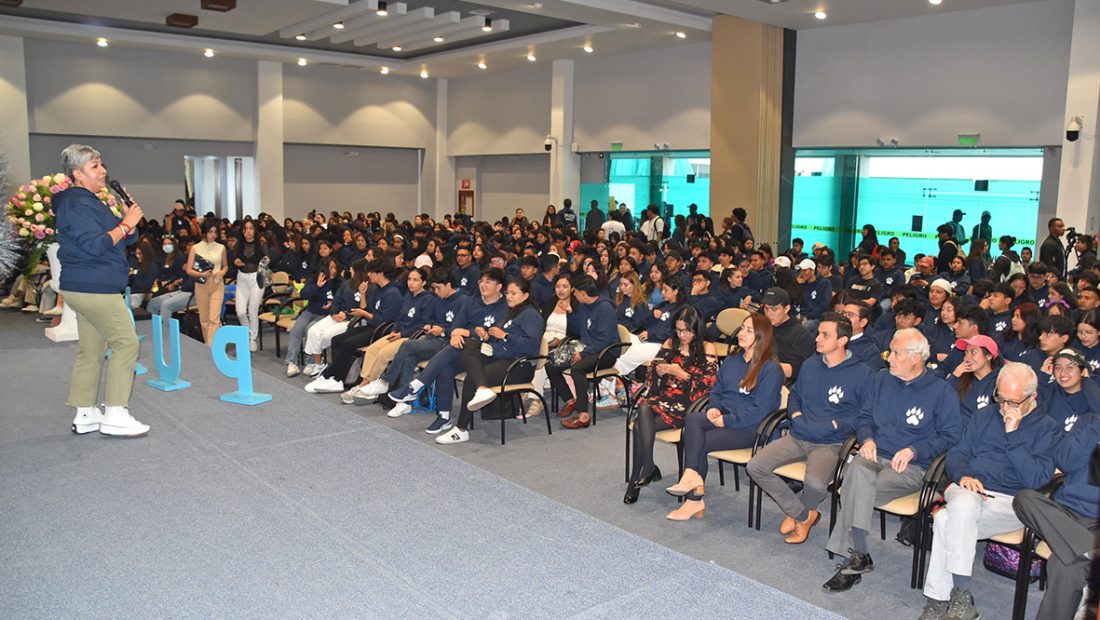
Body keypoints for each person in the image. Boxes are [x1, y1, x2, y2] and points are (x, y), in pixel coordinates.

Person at [823, 328, 962, 592]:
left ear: (915, 358)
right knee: (857, 474)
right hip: (876, 454)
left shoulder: (941, 392)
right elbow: (864, 417)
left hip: (912, 466)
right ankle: (858, 556)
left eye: (896, 353)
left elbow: (951, 437)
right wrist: (867, 439)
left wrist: (915, 450)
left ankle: (856, 557)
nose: (889, 358)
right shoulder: (881, 380)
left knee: (854, 489)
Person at [917, 362, 1057, 620]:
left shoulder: (1046, 427)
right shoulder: (985, 416)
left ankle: (938, 598)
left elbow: (1037, 479)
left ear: (1032, 397)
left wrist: (1013, 435)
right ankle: (961, 595)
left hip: (1010, 503)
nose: (1004, 408)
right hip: (967, 489)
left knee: (946, 520)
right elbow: (957, 455)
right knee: (964, 504)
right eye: (1000, 399)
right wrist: (965, 476)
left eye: (1012, 402)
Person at [748, 312, 873, 543]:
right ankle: (802, 514)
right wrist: (796, 414)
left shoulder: (862, 373)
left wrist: (836, 424)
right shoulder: (811, 364)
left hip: (831, 442)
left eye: (825, 335)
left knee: (815, 483)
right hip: (799, 434)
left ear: (843, 340)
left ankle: (800, 513)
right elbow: (795, 395)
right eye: (819, 333)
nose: (817, 338)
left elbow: (864, 415)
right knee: (756, 466)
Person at [55, 144, 149, 437]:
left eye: (101, 164)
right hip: (94, 286)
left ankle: (85, 412)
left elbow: (119, 240)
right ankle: (116, 412)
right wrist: (126, 224)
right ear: (77, 174)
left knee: (92, 349)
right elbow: (96, 245)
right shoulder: (79, 204)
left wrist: (125, 225)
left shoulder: (87, 201)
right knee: (126, 343)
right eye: (94, 166)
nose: (103, 171)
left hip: (85, 285)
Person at [664, 313, 783, 520]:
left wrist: (727, 420)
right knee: (692, 420)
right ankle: (692, 479)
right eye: (742, 328)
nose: (742, 333)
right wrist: (713, 407)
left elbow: (760, 411)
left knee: (699, 440)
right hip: (725, 416)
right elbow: (716, 390)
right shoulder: (732, 360)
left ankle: (693, 498)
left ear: (761, 336)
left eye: (749, 330)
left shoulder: (771, 369)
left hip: (751, 428)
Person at [388, 269, 510, 434]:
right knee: (445, 368)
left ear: (499, 287)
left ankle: (416, 386)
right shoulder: (472, 302)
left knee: (450, 351)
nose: (483, 285)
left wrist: (468, 333)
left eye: (488, 282)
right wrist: (454, 334)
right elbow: (456, 326)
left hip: (489, 354)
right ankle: (444, 417)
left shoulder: (506, 307)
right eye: (481, 281)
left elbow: (493, 335)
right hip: (465, 351)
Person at [625, 306, 719, 504]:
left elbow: (709, 386)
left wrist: (681, 374)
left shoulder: (708, 348)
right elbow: (651, 375)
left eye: (686, 331)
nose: (681, 335)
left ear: (697, 329)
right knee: (643, 408)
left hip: (689, 404)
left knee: (640, 425)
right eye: (678, 330)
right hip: (664, 399)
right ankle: (648, 467)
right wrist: (659, 372)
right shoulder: (670, 343)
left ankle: (638, 478)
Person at [1012, 409, 1100, 620]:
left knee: (1064, 563)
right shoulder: (1088, 421)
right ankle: (1088, 550)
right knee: (1024, 499)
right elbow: (1066, 461)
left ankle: (1083, 552)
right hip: (1065, 513)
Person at [435, 278, 545, 445]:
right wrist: (487, 336)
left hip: (519, 365)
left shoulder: (531, 314)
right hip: (502, 356)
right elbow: (500, 341)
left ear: (525, 296)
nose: (508, 296)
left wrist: (505, 335)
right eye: (507, 293)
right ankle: (482, 389)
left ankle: (461, 429)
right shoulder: (513, 311)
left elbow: (531, 346)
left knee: (473, 377)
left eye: (514, 293)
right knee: (469, 345)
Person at [339, 266, 436, 403]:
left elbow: (422, 325)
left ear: (424, 283)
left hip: (411, 337)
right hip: (398, 333)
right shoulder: (408, 296)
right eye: (409, 279)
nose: (411, 283)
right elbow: (399, 317)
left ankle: (366, 385)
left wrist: (401, 334)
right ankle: (365, 382)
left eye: (415, 280)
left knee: (384, 353)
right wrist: (395, 330)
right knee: (372, 349)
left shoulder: (428, 299)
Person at [549, 275, 619, 430]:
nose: (574, 295)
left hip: (606, 353)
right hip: (586, 347)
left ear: (583, 293)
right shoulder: (583, 306)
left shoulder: (605, 308)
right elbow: (577, 331)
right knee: (551, 363)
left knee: (577, 368)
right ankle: (570, 400)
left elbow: (604, 340)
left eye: (576, 292)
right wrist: (570, 312)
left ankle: (583, 415)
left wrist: (583, 354)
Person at [186, 219, 228, 346]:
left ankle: (211, 347)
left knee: (214, 318)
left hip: (217, 284)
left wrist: (221, 273)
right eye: (210, 232)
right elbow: (188, 269)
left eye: (215, 232)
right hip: (201, 284)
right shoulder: (195, 248)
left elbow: (225, 266)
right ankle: (208, 343)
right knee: (204, 319)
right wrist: (201, 274)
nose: (213, 235)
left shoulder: (221, 248)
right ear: (204, 232)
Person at [947, 335, 1002, 429]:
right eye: (966, 353)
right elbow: (942, 401)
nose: (967, 359)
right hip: (959, 434)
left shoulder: (1000, 381)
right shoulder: (961, 379)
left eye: (973, 352)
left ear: (988, 356)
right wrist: (955, 376)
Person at [760, 287, 815, 382]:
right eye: (766, 308)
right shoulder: (763, 327)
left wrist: (762, 366)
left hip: (782, 380)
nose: (769, 314)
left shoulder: (800, 334)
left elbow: (796, 369)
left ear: (786, 309)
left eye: (774, 309)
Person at [232, 219, 268, 351]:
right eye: (245, 229)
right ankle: (247, 333)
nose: (248, 231)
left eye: (251, 228)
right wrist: (235, 261)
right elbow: (234, 259)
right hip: (242, 278)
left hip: (256, 277)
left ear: (255, 230)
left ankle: (252, 338)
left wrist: (265, 262)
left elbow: (267, 258)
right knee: (240, 311)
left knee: (252, 310)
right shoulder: (238, 245)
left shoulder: (261, 244)